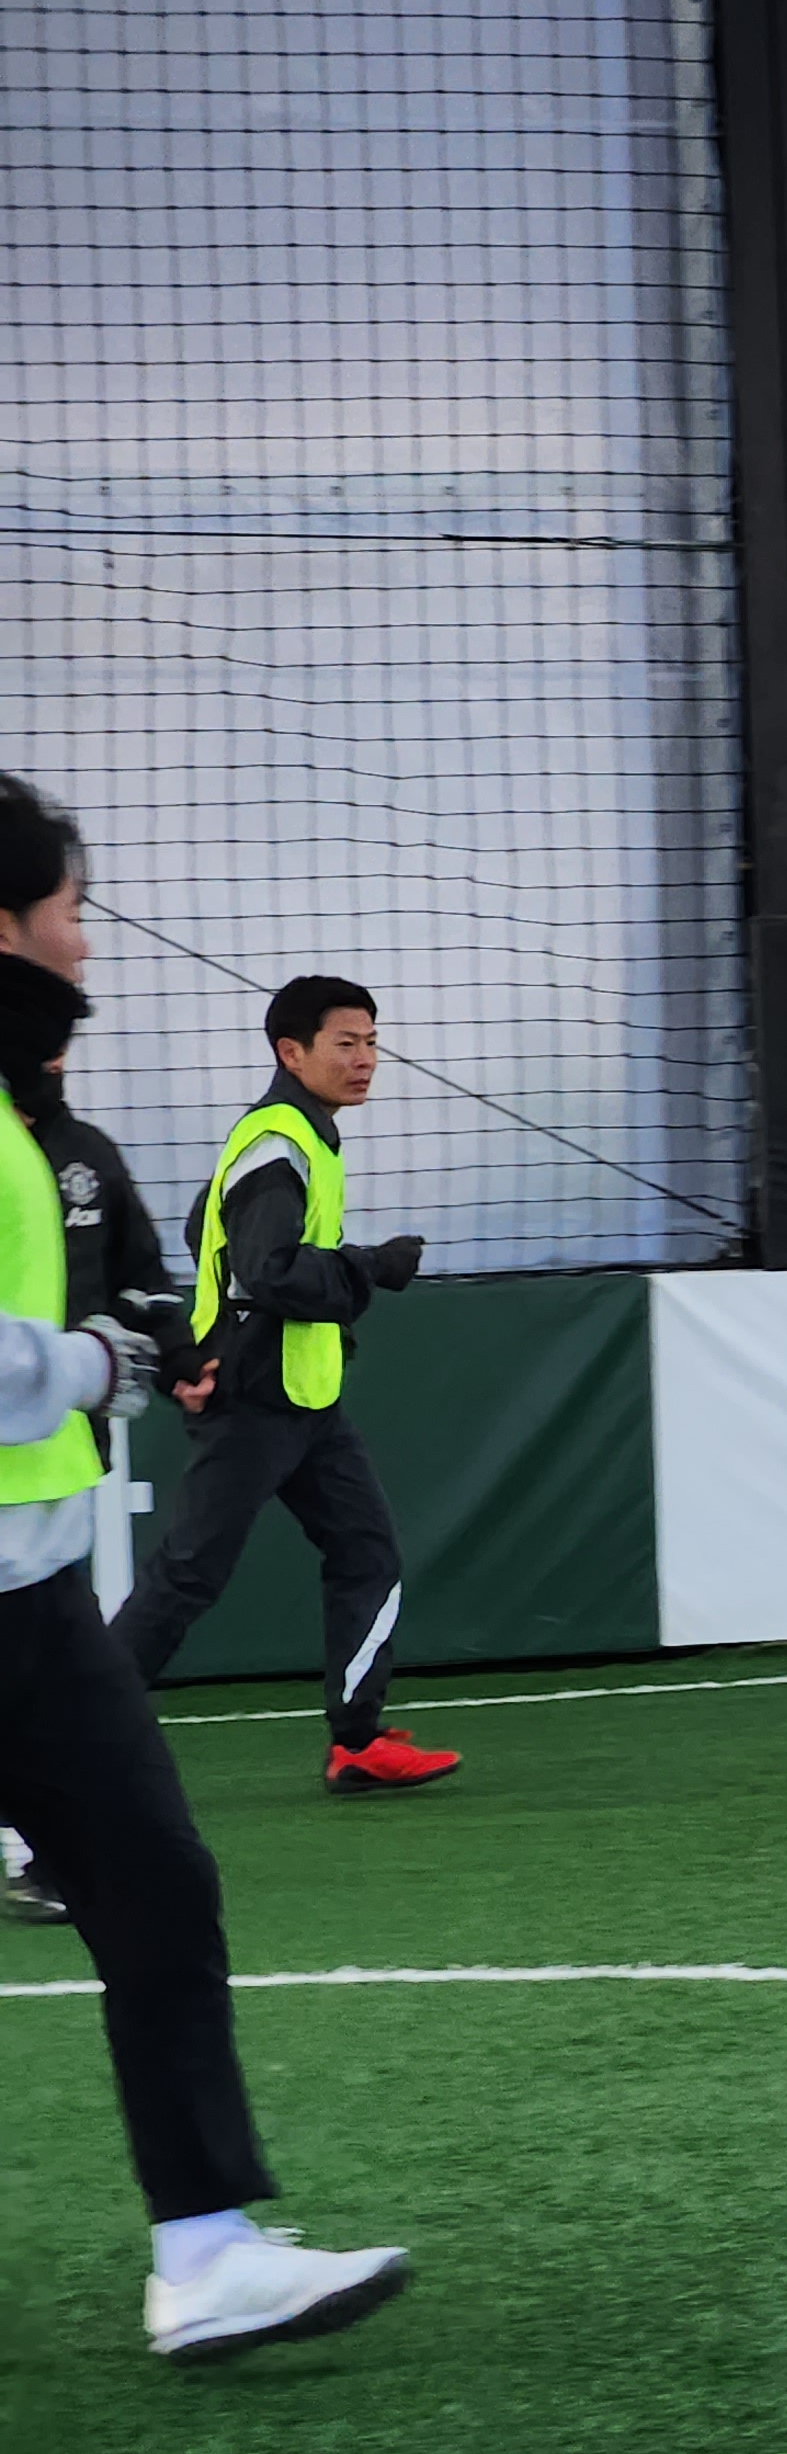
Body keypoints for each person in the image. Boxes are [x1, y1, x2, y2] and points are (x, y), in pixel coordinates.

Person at [0, 776, 412, 2355]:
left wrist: (147, 1343)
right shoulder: (252, 1141)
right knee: (181, 1596)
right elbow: (236, 1274)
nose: (88, 942)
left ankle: (208, 2251)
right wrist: (91, 1369)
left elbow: (151, 1275)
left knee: (160, 1888)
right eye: (71, 910)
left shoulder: (49, 1129)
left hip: (33, 1599)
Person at [110, 974, 461, 1795]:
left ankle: (357, 1741)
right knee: (189, 1573)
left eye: (372, 1043)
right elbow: (268, 1272)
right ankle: (72, 1735)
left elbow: (205, 1224)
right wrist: (370, 1267)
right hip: (255, 1399)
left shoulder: (298, 1136)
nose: (366, 1059)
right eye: (347, 1044)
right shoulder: (280, 1140)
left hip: (306, 1398)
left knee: (366, 1551)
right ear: (291, 1052)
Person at [0, 1043, 206, 1925]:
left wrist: (181, 1358)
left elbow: (143, 1276)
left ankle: (45, 1860)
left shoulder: (87, 1155)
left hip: (56, 1478)